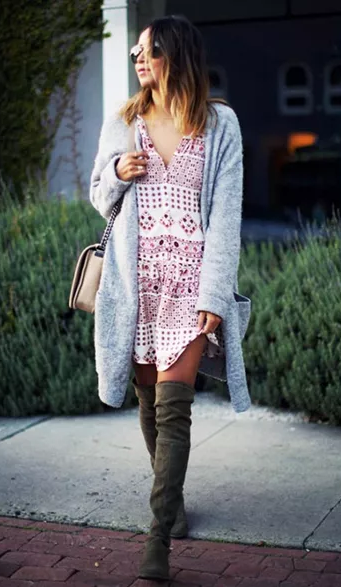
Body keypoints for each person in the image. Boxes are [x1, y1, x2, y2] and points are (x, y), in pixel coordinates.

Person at [89, 14, 251, 582]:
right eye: (136, 50)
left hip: (189, 285)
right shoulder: (124, 121)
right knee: (149, 403)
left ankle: (156, 539)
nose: (139, 58)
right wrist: (117, 171)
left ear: (175, 56)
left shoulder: (220, 124)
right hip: (137, 286)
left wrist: (215, 294)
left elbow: (227, 217)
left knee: (174, 408)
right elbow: (98, 194)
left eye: (150, 49)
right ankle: (172, 501)